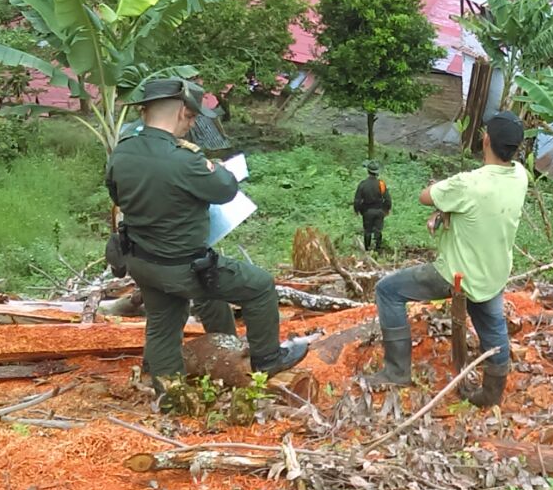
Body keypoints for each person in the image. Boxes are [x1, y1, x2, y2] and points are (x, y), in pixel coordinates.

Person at [105, 78, 308, 384]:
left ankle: (168, 392)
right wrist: (214, 167)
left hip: (143, 261)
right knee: (261, 286)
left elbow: (117, 196)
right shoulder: (184, 160)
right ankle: (267, 360)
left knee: (163, 321)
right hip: (182, 267)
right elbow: (225, 189)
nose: (192, 124)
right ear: (183, 113)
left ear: (145, 111)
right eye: (192, 117)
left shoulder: (122, 152)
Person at [362, 111, 529, 407]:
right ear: (515, 149)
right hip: (494, 273)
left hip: (457, 274)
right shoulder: (520, 176)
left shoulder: (467, 184)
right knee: (493, 329)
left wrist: (444, 199)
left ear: (486, 139)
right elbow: (479, 206)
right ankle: (491, 395)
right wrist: (448, 209)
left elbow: (425, 196)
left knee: (387, 290)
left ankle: (397, 371)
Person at [353, 160, 392, 251]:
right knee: (378, 230)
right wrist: (387, 209)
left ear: (368, 171)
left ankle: (367, 249)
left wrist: (356, 210)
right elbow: (387, 199)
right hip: (379, 210)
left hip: (367, 211)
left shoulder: (362, 184)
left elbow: (357, 200)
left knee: (367, 231)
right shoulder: (381, 184)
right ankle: (378, 249)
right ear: (377, 172)